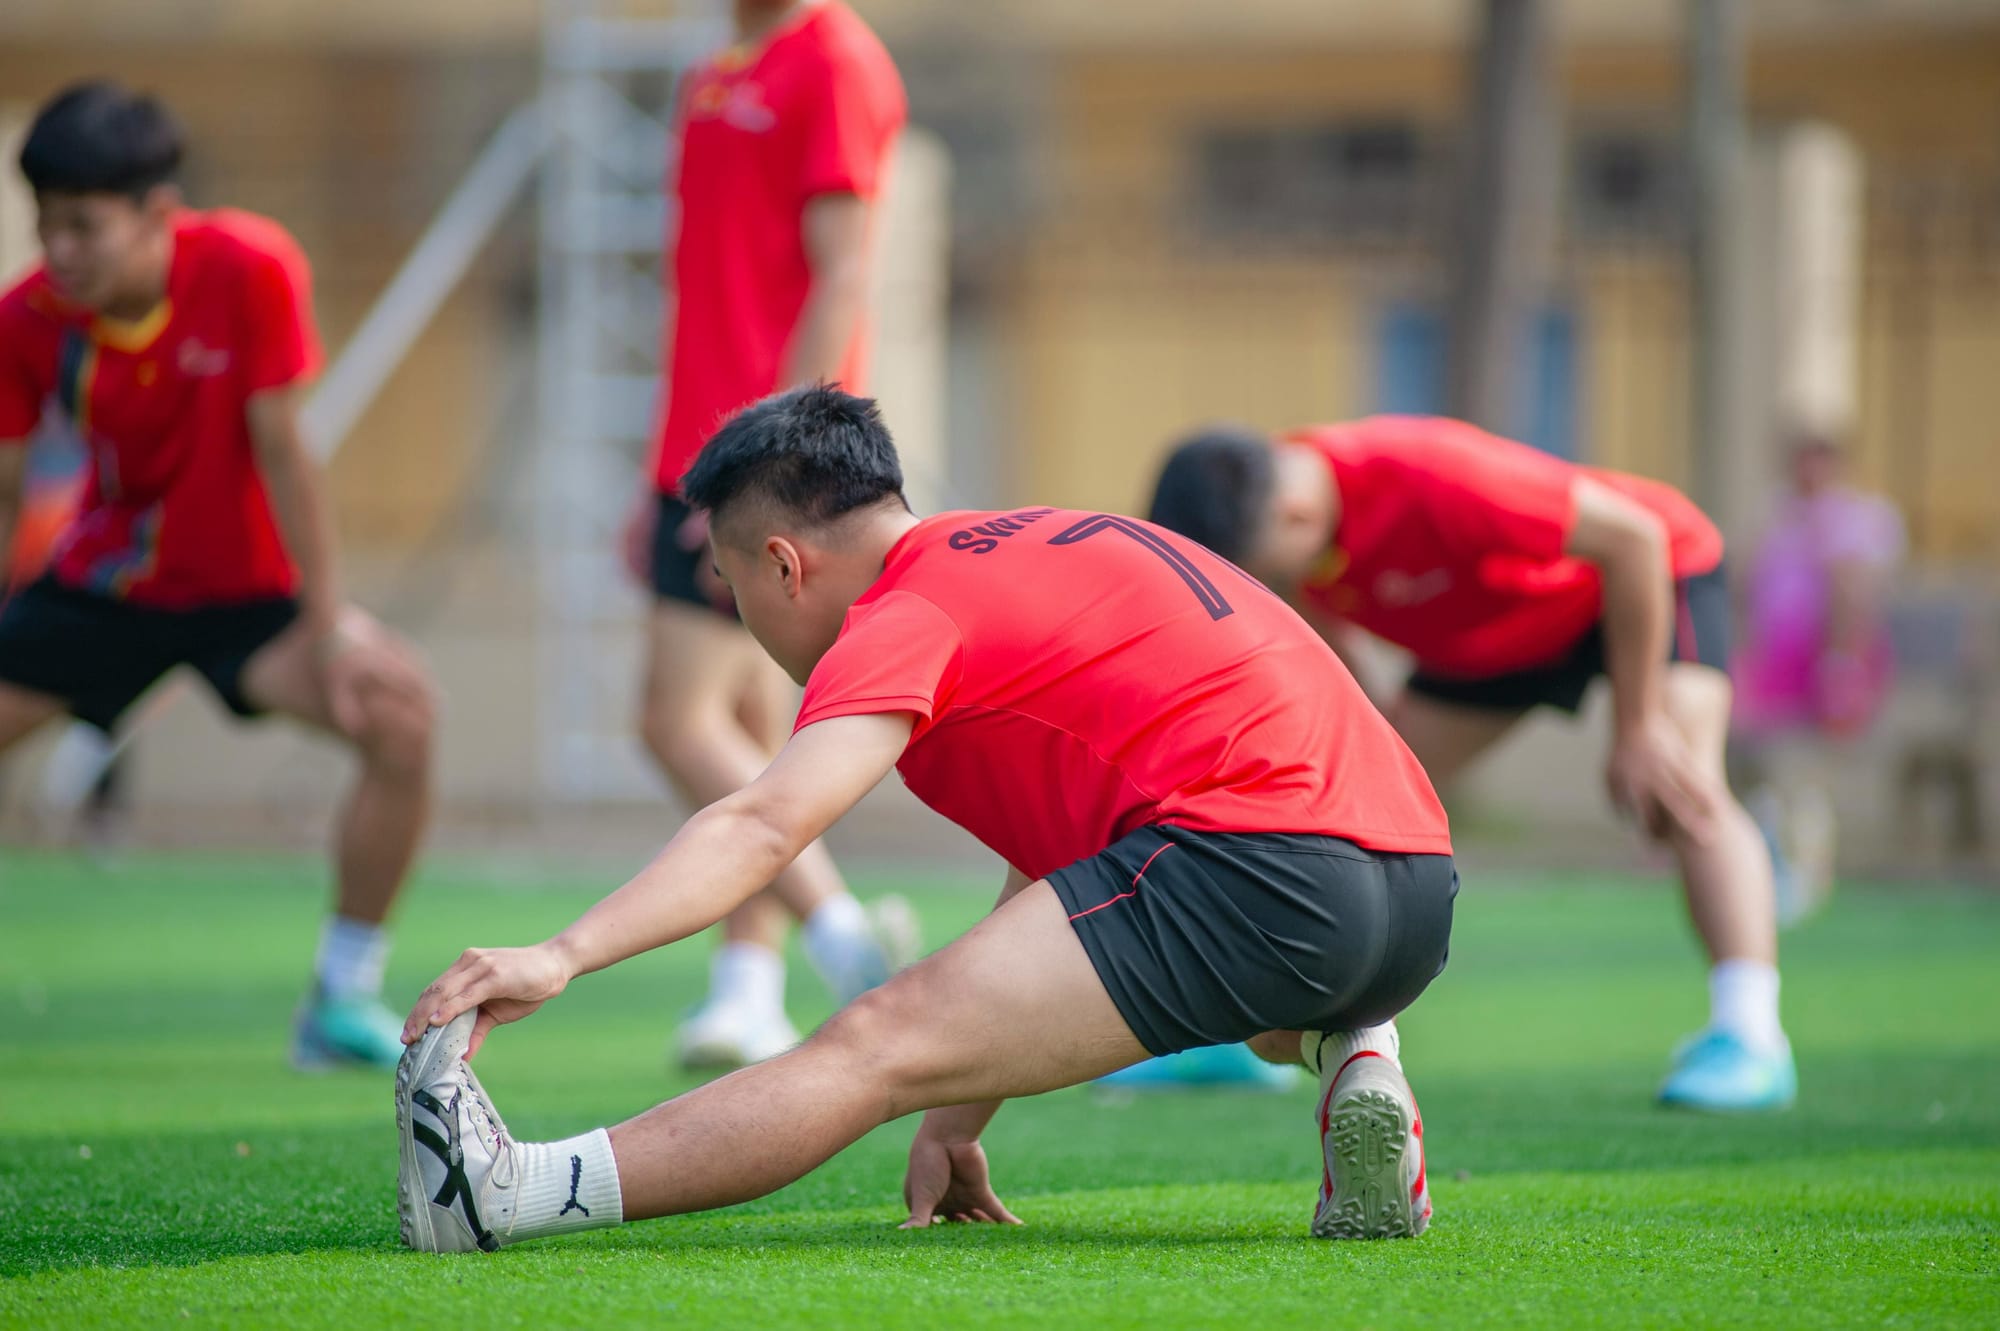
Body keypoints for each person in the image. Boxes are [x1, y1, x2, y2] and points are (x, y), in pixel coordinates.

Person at [394, 385, 1458, 1251]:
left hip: (1257, 870)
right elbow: (1072, 859)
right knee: (1253, 978)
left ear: (782, 564)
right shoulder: (1039, 538)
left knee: (872, 1041)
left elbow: (764, 824)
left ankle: (508, 1191)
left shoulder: (906, 611)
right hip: (1410, 884)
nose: (740, 617)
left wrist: (561, 954)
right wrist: (959, 1106)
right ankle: (1355, 1041)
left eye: (731, 587)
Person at [1147, 416, 1795, 1113]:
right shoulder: (1288, 523)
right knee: (1333, 806)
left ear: (1295, 515)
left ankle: (1751, 1034)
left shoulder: (1434, 475)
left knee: (1683, 789)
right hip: (1489, 639)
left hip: (1645, 578)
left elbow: (1633, 539)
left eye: (1270, 572)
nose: (1273, 585)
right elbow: (1329, 632)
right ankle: (1240, 1028)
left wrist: (1637, 727)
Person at [0, 82, 435, 1069]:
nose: (58, 250)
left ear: (158, 210)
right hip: (102, 595)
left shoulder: (249, 267)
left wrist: (328, 624)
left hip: (250, 600)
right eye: (44, 226)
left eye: (82, 226)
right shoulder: (25, 322)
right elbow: (6, 488)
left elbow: (285, 450)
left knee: (401, 714)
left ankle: (338, 999)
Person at [628, 0, 913, 1069]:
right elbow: (706, 288)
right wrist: (661, 475)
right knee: (744, 717)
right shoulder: (714, 73)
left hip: (759, 457)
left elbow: (842, 269)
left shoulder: (830, 57)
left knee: (673, 717)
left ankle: (843, 942)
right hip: (692, 448)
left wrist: (777, 469)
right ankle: (748, 988)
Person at [1733, 434, 1905, 923]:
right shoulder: (1775, 515)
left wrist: (1843, 660)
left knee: (1807, 775)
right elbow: (1751, 585)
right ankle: (1771, 865)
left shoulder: (1857, 519)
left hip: (1821, 662)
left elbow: (1855, 595)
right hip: (1776, 659)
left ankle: (1808, 875)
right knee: (1765, 766)